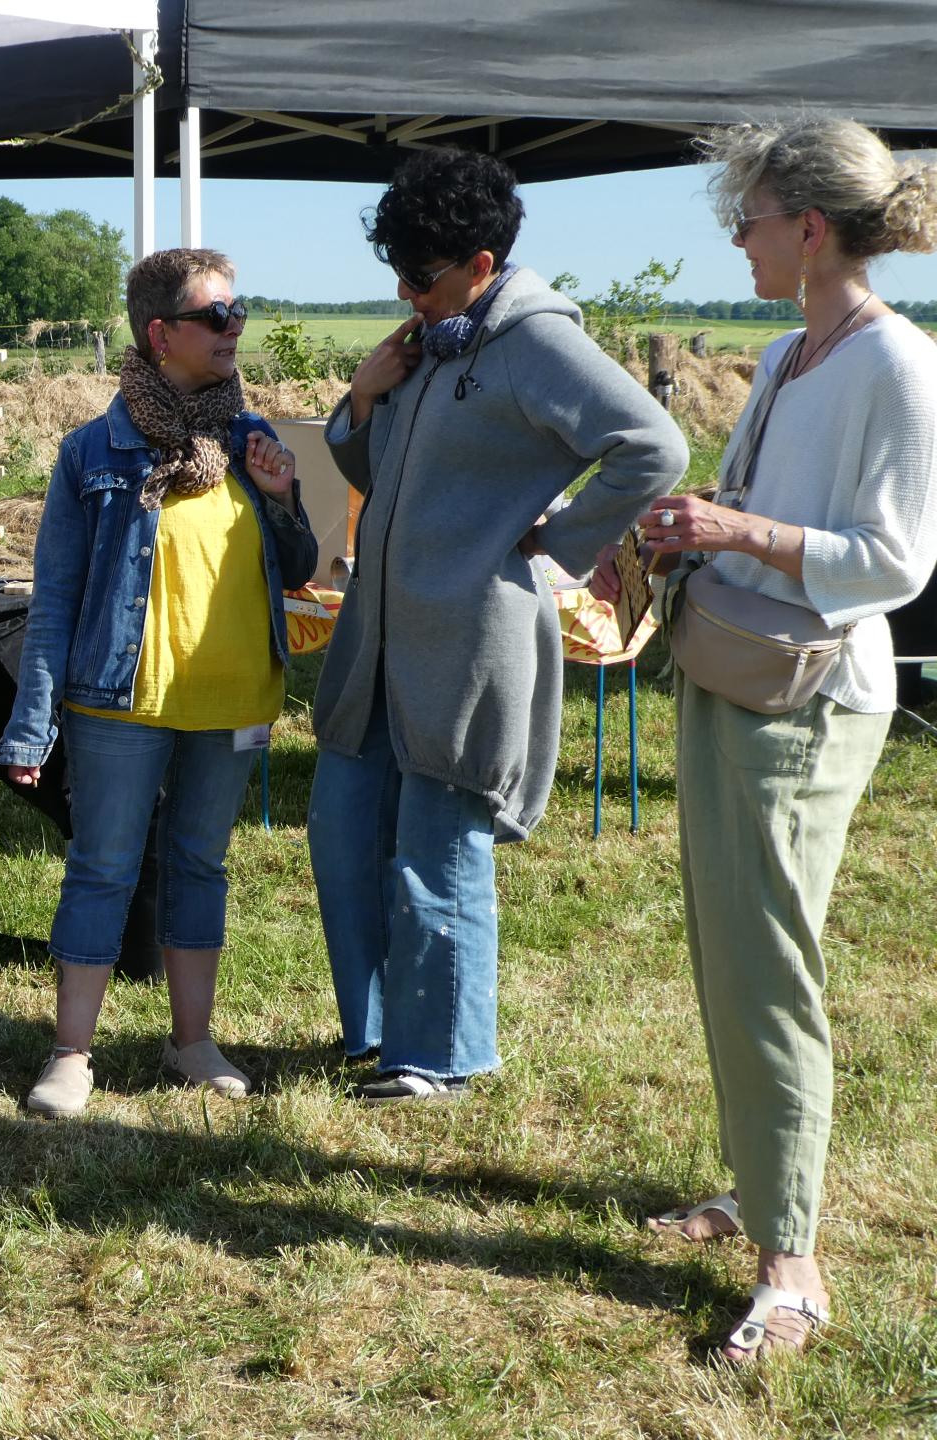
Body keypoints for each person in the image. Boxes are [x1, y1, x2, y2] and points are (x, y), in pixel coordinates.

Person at [593, 117, 937, 1363]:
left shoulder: (897, 364)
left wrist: (736, 535)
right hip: (731, 668)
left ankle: (793, 1268)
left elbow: (897, 563)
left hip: (808, 695)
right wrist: (688, 524)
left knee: (772, 966)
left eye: (747, 219)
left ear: (809, 226)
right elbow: (763, 510)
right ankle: (758, 1186)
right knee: (731, 954)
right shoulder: (794, 352)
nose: (736, 240)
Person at [310, 148, 687, 1103]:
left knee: (438, 848)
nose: (405, 291)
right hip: (379, 638)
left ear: (482, 264)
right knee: (345, 834)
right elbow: (379, 479)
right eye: (397, 270)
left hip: (467, 640)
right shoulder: (431, 339)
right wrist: (364, 397)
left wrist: (559, 540)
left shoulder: (535, 343)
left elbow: (653, 445)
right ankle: (378, 1034)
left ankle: (442, 1055)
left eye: (421, 274)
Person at [0, 247, 316, 1117]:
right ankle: (71, 1055)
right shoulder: (91, 451)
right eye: (216, 316)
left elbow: (298, 568)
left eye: (238, 311)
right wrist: (32, 723)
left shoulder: (252, 441)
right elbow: (55, 599)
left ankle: (191, 1043)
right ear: (161, 334)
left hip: (236, 698)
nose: (234, 328)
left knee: (200, 865)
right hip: (118, 697)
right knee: (103, 866)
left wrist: (283, 497)